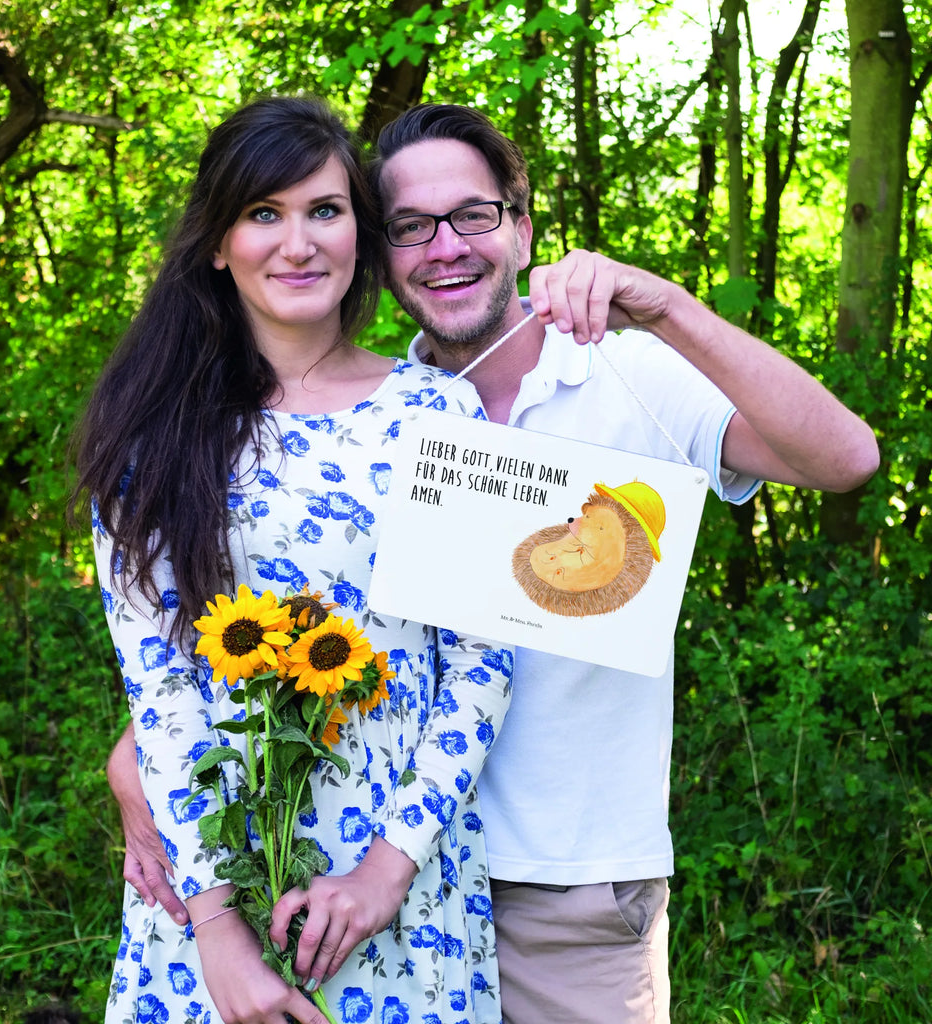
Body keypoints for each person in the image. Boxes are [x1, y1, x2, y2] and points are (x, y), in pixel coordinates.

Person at [110, 102, 880, 1023]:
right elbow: (245, 629)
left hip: (560, 887)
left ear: (520, 226)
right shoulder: (367, 417)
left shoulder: (619, 373)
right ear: (382, 251)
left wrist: (667, 306)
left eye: (473, 215)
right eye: (410, 227)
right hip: (327, 875)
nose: (445, 247)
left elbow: (846, 461)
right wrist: (144, 769)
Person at [73, 96, 515, 1024]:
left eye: (325, 210)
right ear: (216, 244)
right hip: (211, 888)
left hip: (400, 889)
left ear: (360, 229)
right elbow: (160, 690)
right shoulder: (153, 437)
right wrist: (219, 936)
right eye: (263, 214)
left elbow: (483, 661)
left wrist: (386, 873)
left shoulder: (441, 415)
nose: (298, 242)